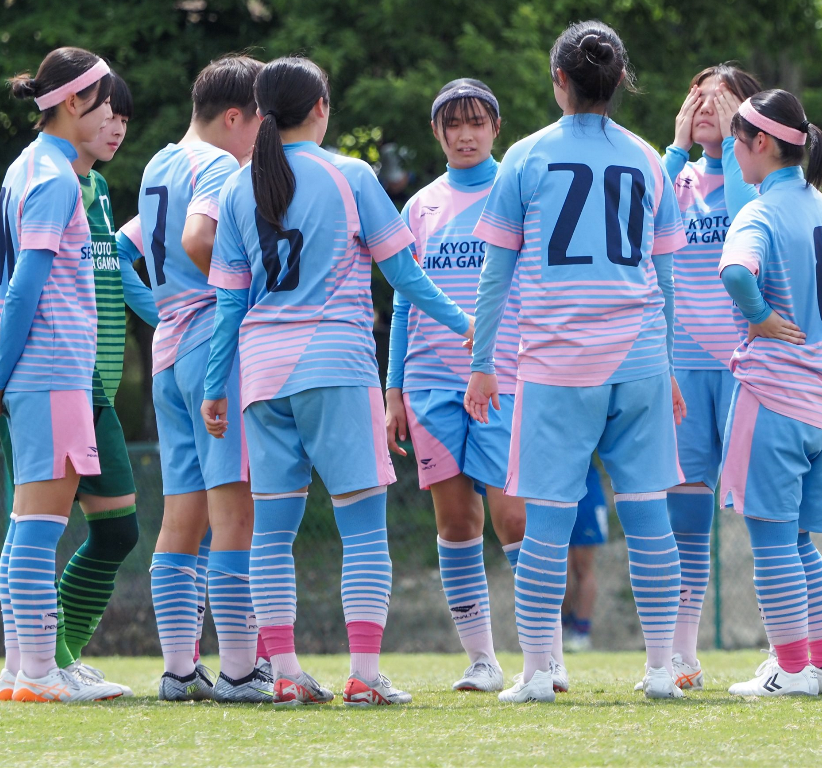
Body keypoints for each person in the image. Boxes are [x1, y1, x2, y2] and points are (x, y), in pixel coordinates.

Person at [200, 56, 474, 708]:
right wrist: (468, 324)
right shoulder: (348, 175)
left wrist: (216, 385)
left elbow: (230, 305)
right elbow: (403, 275)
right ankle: (365, 673)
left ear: (264, 112)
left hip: (261, 377)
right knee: (362, 528)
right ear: (320, 107)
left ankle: (287, 672)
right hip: (336, 369)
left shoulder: (239, 186)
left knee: (271, 532)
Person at [465, 21, 688, 703]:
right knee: (649, 514)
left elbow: (495, 277)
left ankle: (537, 672)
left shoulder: (525, 158)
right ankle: (661, 670)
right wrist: (670, 363)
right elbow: (668, 276)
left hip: (557, 362)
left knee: (549, 521)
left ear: (558, 78)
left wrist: (482, 363)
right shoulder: (649, 157)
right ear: (620, 81)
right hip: (642, 355)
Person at [0, 74, 154, 700]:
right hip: (53, 371)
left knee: (31, 523)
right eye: (107, 106)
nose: (116, 122)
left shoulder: (32, 167)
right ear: (73, 103)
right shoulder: (52, 178)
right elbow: (21, 287)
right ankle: (41, 673)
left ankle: (22, 671)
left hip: (48, 372)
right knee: (39, 526)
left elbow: (13, 279)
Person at [713, 88, 822, 699]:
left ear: (760, 143)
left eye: (737, 142)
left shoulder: (758, 213)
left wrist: (760, 316)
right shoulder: (818, 206)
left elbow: (735, 271)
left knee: (769, 540)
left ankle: (790, 671)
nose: (733, 153)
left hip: (776, 397)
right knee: (799, 542)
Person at [123, 55, 272, 702]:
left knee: (182, 510)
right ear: (235, 117)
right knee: (234, 504)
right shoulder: (218, 164)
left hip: (168, 350)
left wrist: (158, 308)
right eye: (263, 126)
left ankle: (180, 670)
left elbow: (123, 250)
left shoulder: (159, 162)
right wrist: (260, 291)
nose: (265, 143)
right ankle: (242, 669)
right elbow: (198, 239)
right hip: (215, 340)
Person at [383, 79, 526, 693]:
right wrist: (393, 390)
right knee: (456, 522)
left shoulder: (517, 193)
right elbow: (403, 301)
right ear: (437, 132)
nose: (465, 135)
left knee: (514, 517)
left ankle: (541, 656)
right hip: (429, 381)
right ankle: (482, 661)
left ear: (496, 127)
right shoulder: (419, 207)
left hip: (506, 377)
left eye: (477, 122)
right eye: (453, 125)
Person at [656, 64, 761, 689]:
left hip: (751, 366)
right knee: (686, 518)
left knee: (767, 512)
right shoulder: (678, 177)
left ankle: (793, 649)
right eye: (697, 97)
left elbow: (754, 229)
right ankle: (682, 655)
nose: (705, 108)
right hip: (683, 367)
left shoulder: (760, 183)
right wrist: (675, 148)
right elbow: (637, 223)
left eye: (721, 101)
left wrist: (734, 142)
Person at [561, 463, 609, 651]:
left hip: (587, 497)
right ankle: (563, 627)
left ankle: (581, 633)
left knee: (583, 568)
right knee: (560, 569)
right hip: (555, 493)